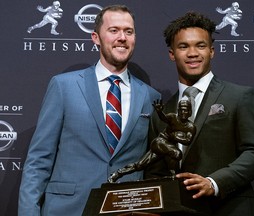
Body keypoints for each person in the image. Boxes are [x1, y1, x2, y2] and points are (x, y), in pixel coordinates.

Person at [18, 5, 160, 216]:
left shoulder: (150, 96)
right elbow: (39, 160)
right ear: (96, 38)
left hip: (126, 211)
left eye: (128, 31)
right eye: (114, 30)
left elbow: (152, 165)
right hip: (68, 209)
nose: (122, 37)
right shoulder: (63, 87)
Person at [145, 11, 254, 216]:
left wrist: (214, 182)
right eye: (183, 46)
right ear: (172, 54)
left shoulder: (240, 96)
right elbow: (155, 171)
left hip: (231, 208)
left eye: (200, 45)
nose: (193, 53)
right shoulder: (163, 111)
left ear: (212, 51)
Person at [108, 99, 196, 183]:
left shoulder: (190, 127)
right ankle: (173, 175)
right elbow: (164, 118)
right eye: (181, 110)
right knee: (177, 153)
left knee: (140, 165)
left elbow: (187, 141)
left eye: (186, 110)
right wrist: (159, 111)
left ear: (190, 112)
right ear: (178, 111)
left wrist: (175, 137)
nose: (183, 113)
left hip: (167, 147)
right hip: (160, 142)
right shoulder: (173, 117)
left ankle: (117, 174)